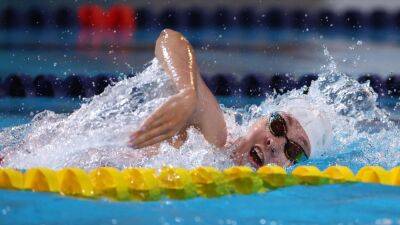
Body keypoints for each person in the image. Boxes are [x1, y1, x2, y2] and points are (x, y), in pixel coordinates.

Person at [129, 29, 331, 168]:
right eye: (278, 125)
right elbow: (169, 38)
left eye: (294, 150)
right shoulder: (218, 138)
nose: (274, 143)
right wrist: (188, 92)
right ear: (262, 119)